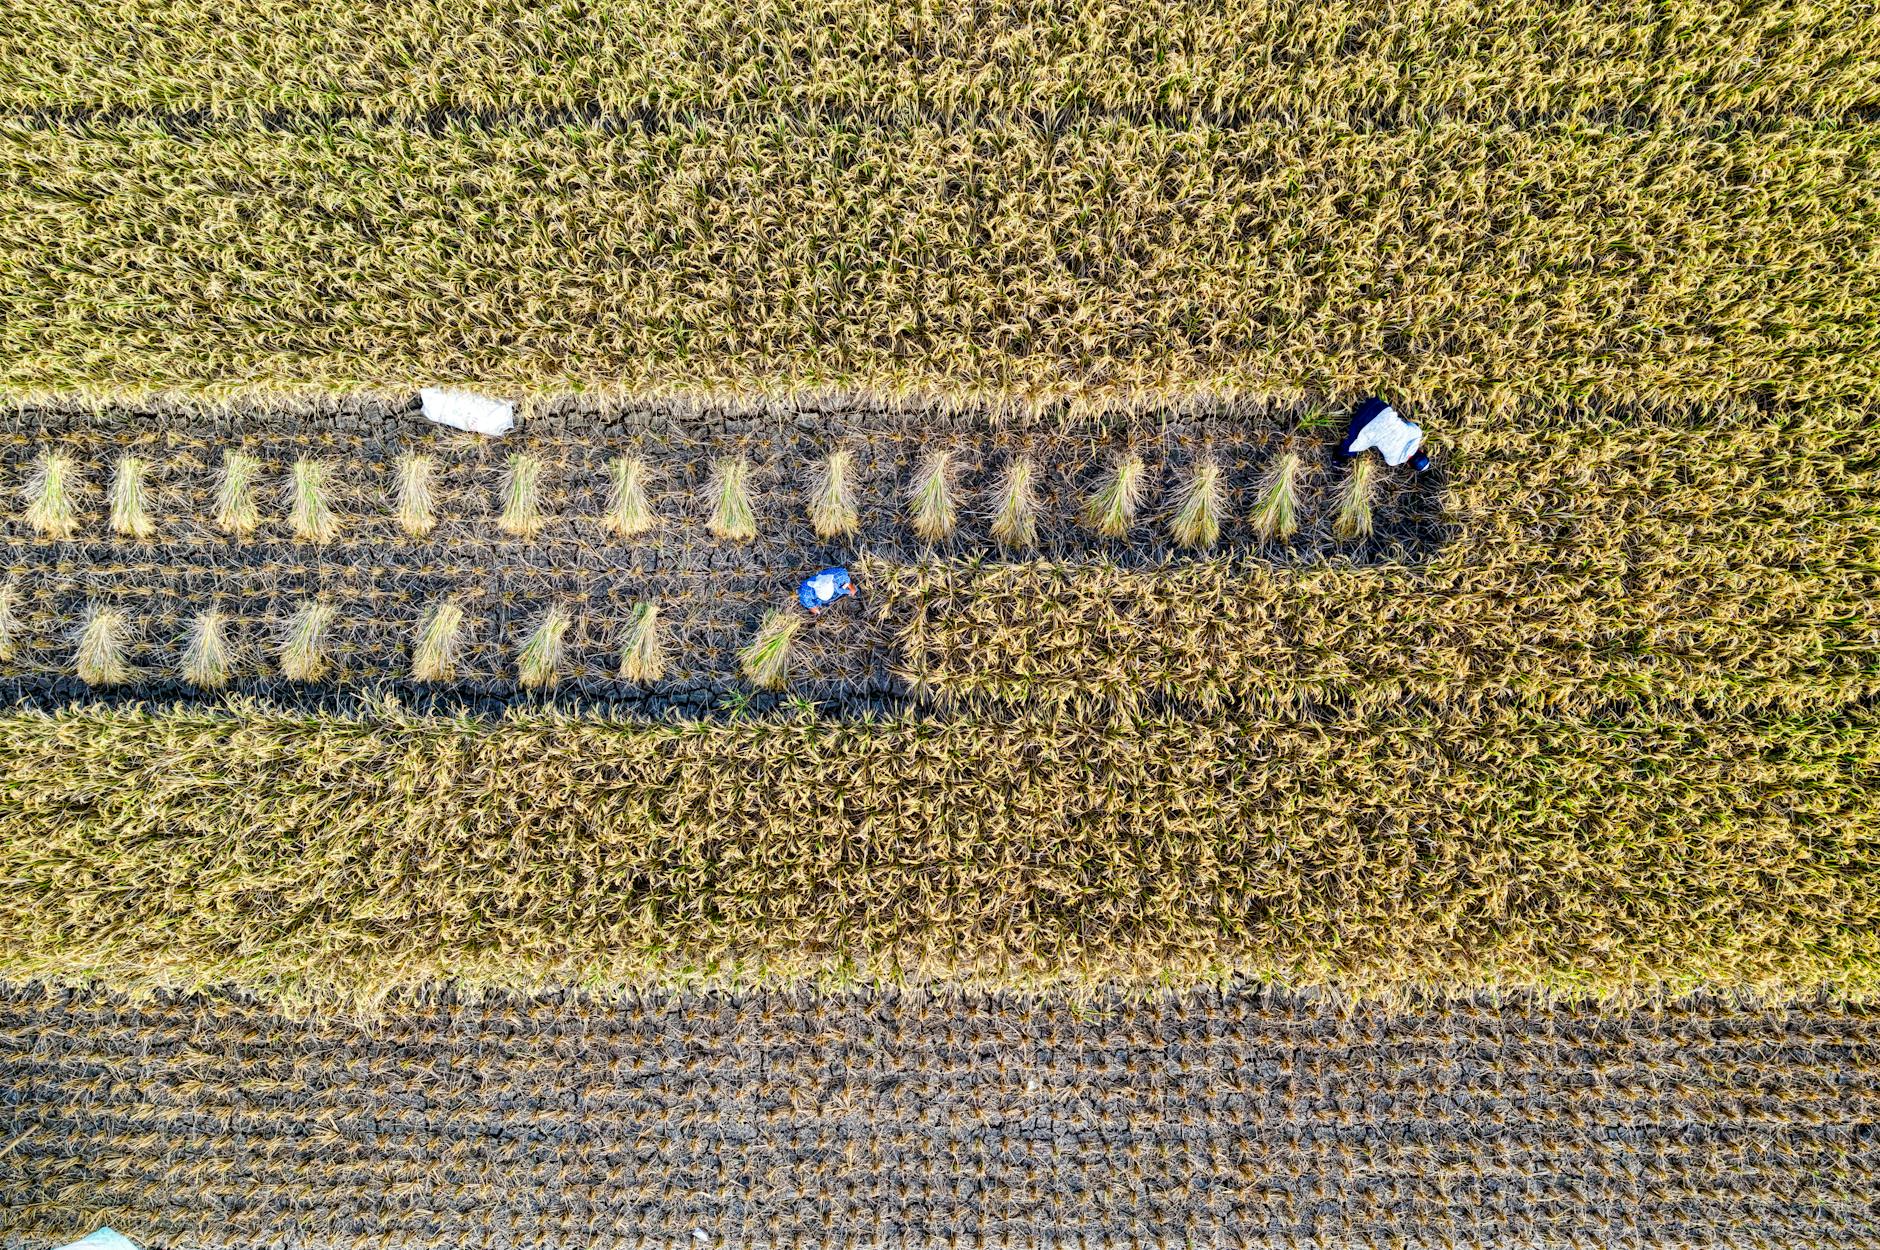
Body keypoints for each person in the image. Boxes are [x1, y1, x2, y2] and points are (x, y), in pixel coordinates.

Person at [1340, 397, 1431, 471]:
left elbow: (1407, 423)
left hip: (1379, 406)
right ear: (1409, 465)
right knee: (1348, 450)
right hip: (1362, 424)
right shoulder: (1393, 461)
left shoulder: (1417, 433)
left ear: (1421, 451)